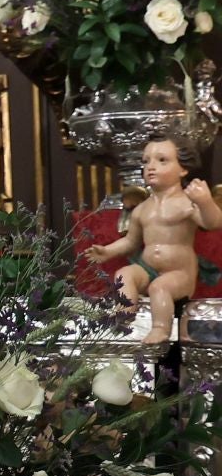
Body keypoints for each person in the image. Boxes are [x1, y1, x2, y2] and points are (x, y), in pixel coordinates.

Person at [88, 133, 219, 343]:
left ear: (183, 169)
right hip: (147, 268)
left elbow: (213, 223)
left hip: (179, 273)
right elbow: (131, 241)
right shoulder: (142, 209)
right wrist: (108, 251)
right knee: (123, 274)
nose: (151, 167)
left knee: (159, 287)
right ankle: (123, 316)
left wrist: (205, 202)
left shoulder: (186, 202)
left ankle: (161, 329)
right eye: (146, 161)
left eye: (162, 160)